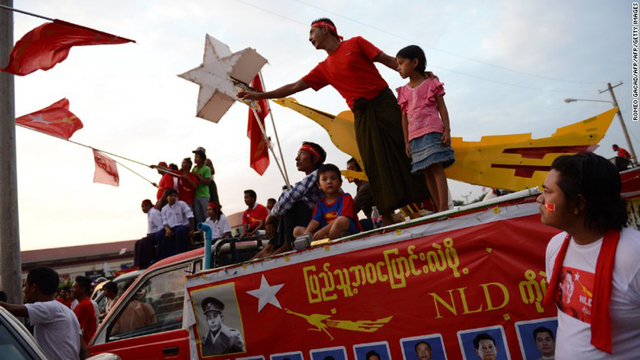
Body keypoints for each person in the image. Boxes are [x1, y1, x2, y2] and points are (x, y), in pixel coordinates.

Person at [238, 18, 428, 225]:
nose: (310, 39)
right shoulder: (324, 68)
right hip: (362, 115)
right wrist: (261, 96)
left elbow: (389, 61)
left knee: (408, 147)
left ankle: (431, 203)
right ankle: (389, 217)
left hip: (384, 104)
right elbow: (294, 86)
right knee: (373, 162)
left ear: (326, 29)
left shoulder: (355, 43)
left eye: (312, 33)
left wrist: (419, 76)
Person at [539, 152, 640, 358]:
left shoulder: (633, 256)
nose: (540, 199)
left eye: (548, 193)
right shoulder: (556, 246)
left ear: (578, 204)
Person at [396, 45, 454, 212]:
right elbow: (404, 118)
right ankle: (438, 207)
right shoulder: (403, 91)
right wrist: (407, 141)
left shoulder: (431, 83)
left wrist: (447, 130)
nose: (398, 68)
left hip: (432, 131)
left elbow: (442, 108)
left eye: (401, 63)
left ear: (414, 62)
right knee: (426, 172)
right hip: (415, 136)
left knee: (436, 168)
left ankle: (444, 207)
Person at [253, 142, 326, 258]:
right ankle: (273, 246)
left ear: (315, 158)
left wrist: (270, 217)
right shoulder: (310, 178)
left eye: (302, 154)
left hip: (322, 223)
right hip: (312, 222)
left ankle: (285, 244)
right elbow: (287, 196)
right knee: (288, 204)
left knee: (292, 203)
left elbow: (290, 197)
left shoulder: (320, 173)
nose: (297, 158)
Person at [0, 267, 85, 359]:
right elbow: (84, 350)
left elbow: (8, 309)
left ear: (33, 287)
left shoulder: (47, 308)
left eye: (25, 286)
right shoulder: (67, 311)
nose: (24, 290)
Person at [294, 163, 362, 240]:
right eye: (324, 179)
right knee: (297, 230)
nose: (329, 182)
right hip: (325, 232)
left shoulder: (345, 197)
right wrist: (307, 233)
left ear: (340, 182)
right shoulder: (320, 203)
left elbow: (342, 218)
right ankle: (314, 239)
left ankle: (323, 239)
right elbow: (315, 221)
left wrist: (323, 231)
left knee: (342, 220)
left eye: (333, 178)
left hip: (343, 230)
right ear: (319, 185)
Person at [156, 188, 195, 259]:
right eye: (171, 196)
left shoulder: (182, 204)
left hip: (182, 226)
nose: (173, 197)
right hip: (171, 228)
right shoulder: (164, 209)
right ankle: (163, 257)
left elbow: (190, 216)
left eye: (175, 196)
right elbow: (165, 222)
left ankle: (181, 254)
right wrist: (167, 230)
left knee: (179, 231)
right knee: (159, 235)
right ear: (166, 198)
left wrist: (192, 229)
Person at [134, 199, 163, 269]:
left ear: (148, 206)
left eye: (144, 206)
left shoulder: (154, 213)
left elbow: (161, 226)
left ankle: (148, 261)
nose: (142, 209)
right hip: (151, 234)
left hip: (157, 233)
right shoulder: (149, 214)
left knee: (144, 242)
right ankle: (138, 264)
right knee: (138, 243)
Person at [346, 157, 375, 225]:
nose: (348, 172)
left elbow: (353, 208)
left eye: (352, 168)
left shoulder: (366, 186)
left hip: (377, 220)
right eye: (347, 169)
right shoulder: (360, 187)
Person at [71, 276, 97, 346]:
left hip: (86, 344)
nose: (72, 290)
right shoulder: (82, 304)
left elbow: (79, 330)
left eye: (75, 287)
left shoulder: (84, 305)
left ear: (83, 289)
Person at [191, 147, 212, 225]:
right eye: (195, 157)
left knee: (206, 215)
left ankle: (211, 233)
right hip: (196, 196)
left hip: (204, 195)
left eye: (197, 157)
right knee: (198, 217)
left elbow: (207, 182)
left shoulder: (206, 169)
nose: (195, 159)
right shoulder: (194, 168)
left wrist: (197, 176)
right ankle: (201, 235)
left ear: (202, 159)